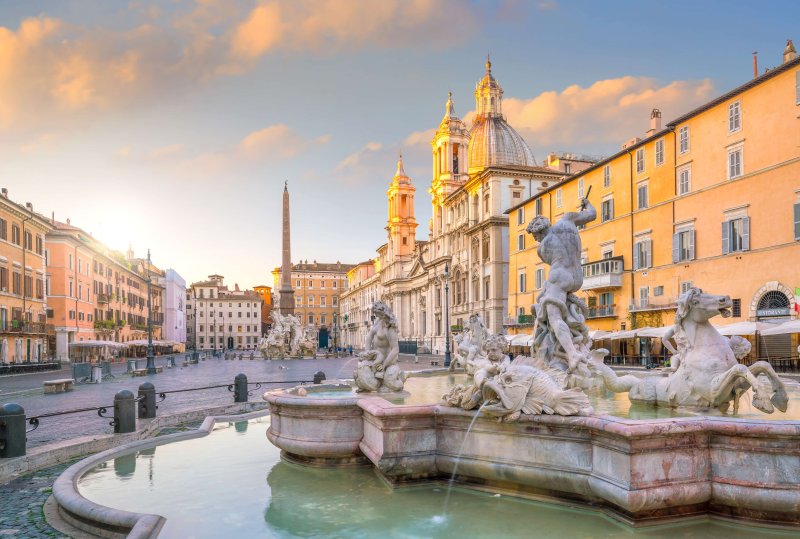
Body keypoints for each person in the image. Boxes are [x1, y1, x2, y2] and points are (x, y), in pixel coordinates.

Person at [526, 197, 596, 374]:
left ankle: (572, 354)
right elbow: (592, 214)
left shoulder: (542, 248)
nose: (536, 240)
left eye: (535, 237)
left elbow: (550, 262)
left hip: (559, 276)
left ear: (538, 234)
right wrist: (586, 204)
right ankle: (571, 346)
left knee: (555, 317)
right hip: (577, 277)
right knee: (552, 302)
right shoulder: (567, 220)